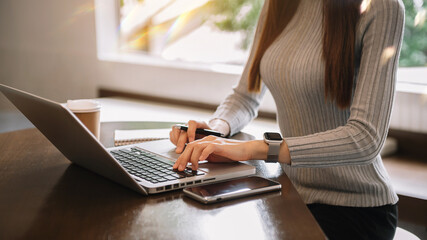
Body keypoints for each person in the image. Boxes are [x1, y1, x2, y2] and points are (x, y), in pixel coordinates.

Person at [169, 0, 404, 239]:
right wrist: (216, 128)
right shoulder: (277, 5)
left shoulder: (382, 7)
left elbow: (365, 138)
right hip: (292, 194)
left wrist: (253, 149)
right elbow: (245, 96)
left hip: (355, 210)